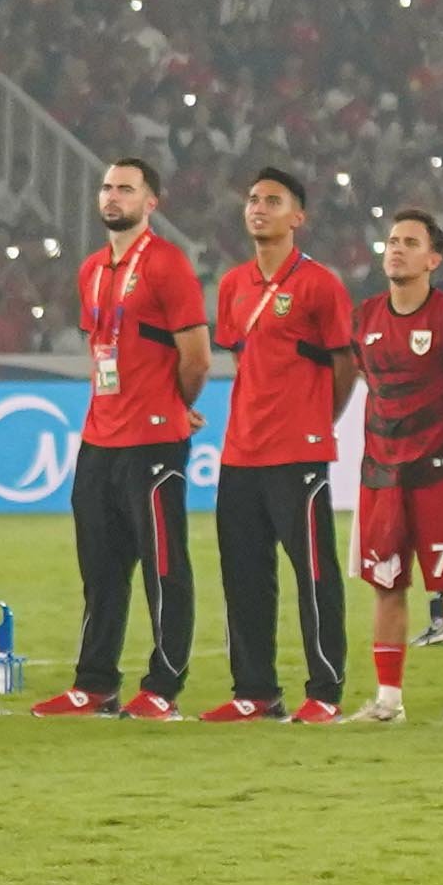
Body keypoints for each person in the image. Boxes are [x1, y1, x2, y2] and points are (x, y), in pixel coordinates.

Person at [47, 151, 210, 717]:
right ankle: (94, 684)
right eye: (108, 188)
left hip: (153, 440)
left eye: (126, 189)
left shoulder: (169, 265)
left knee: (165, 566)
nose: (113, 197)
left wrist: (174, 406)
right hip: (99, 439)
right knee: (100, 569)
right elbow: (104, 350)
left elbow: (197, 357)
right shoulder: (92, 269)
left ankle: (162, 687)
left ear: (150, 202)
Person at [205, 165, 357, 721]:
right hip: (240, 452)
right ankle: (256, 692)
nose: (258, 207)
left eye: (272, 200)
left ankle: (324, 693)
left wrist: (319, 421)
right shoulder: (232, 285)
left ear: (298, 218)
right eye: (252, 198)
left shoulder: (320, 285)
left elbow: (345, 364)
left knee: (314, 574)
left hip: (299, 452)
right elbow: (244, 359)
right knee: (244, 576)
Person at [350, 205, 443, 719]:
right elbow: (374, 384)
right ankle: (388, 702)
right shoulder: (364, 317)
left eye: (410, 242)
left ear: (433, 258)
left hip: (438, 475)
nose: (397, 249)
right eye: (392, 241)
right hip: (381, 476)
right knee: (386, 585)